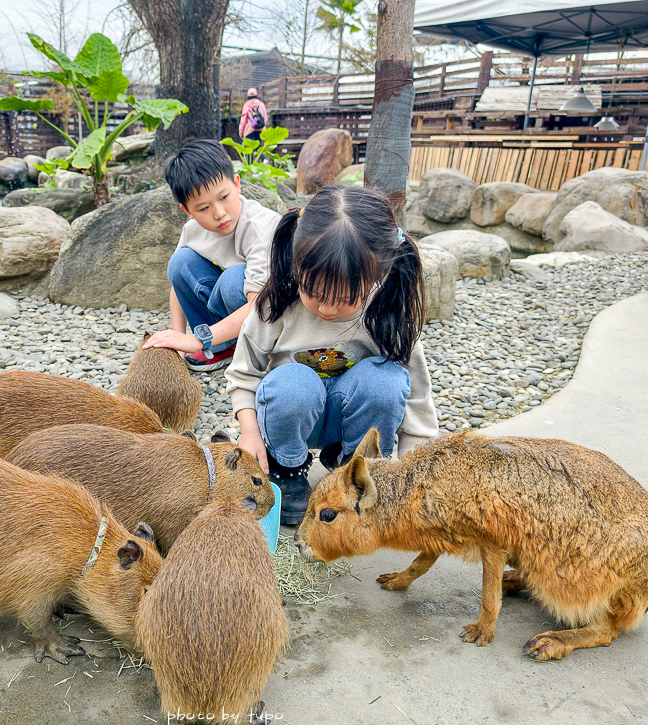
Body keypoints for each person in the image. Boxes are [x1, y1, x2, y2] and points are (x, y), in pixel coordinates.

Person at [225, 184, 439, 526]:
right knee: (292, 383)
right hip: (291, 417)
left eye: (344, 299)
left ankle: (355, 471)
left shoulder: (386, 314)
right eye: (312, 291)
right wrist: (249, 432)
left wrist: (412, 475)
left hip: (349, 420)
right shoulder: (277, 304)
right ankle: (289, 467)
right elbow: (243, 374)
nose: (325, 307)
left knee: (386, 381)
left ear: (377, 275)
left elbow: (415, 398)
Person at [144, 139, 282, 371]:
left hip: (271, 317)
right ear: (187, 211)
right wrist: (178, 341)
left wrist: (197, 339)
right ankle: (224, 347)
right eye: (204, 208)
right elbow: (178, 285)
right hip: (231, 314)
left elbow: (259, 303)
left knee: (233, 280)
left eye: (224, 197)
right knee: (180, 262)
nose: (219, 213)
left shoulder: (260, 226)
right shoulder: (192, 231)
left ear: (237, 184)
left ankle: (258, 352)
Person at [239, 88, 269, 159]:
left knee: (249, 149)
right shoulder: (261, 104)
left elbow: (243, 120)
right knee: (258, 149)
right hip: (260, 130)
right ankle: (263, 162)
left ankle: (249, 166)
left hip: (249, 130)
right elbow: (265, 118)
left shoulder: (246, 105)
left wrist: (241, 132)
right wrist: (262, 126)